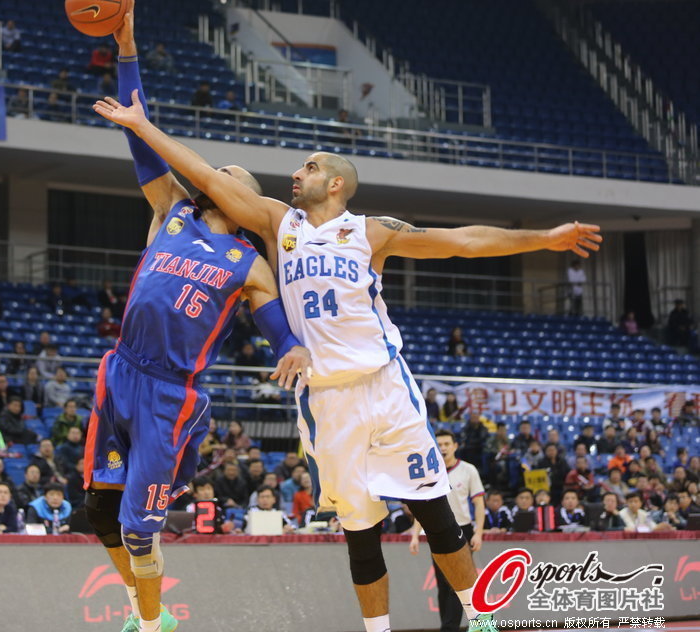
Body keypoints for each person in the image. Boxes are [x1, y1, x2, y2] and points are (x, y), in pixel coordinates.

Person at [98, 65, 603, 632]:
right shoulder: (277, 224)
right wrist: (143, 127)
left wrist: (544, 238)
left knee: (435, 511)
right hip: (326, 400)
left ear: (336, 182)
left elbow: (462, 242)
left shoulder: (371, 231)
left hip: (383, 387)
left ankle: (480, 618)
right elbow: (208, 181)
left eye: (309, 167)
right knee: (360, 533)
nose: (297, 173)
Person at [85, 12, 311, 632]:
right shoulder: (173, 209)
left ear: (244, 201)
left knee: (139, 529)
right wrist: (127, 48)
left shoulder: (249, 262)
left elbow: (275, 327)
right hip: (120, 371)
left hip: (170, 392)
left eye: (231, 175)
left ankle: (151, 623)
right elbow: (139, 135)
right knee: (100, 513)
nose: (218, 173)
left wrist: (290, 347)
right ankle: (148, 613)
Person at [410, 430, 485, 632]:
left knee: (457, 582)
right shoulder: (429, 471)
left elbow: (479, 503)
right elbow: (421, 506)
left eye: (446, 444)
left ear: (455, 446)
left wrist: (478, 533)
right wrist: (415, 535)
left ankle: (449, 628)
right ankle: (449, 625)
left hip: (463, 529)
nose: (443, 448)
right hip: (436, 530)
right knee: (443, 584)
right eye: (439, 444)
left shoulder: (468, 470)